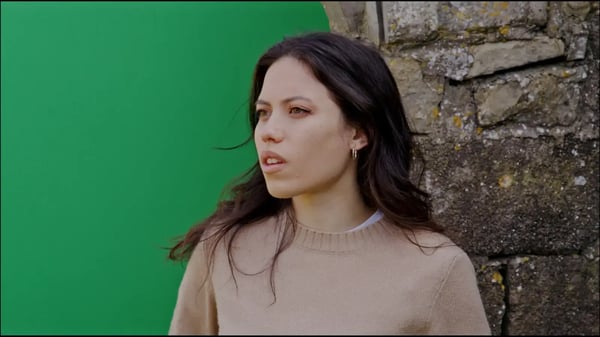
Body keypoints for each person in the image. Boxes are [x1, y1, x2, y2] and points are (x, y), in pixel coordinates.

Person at [166, 31, 491, 335]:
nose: (268, 131)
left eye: (297, 110)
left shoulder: (436, 269)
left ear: (359, 131)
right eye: (263, 113)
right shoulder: (224, 248)